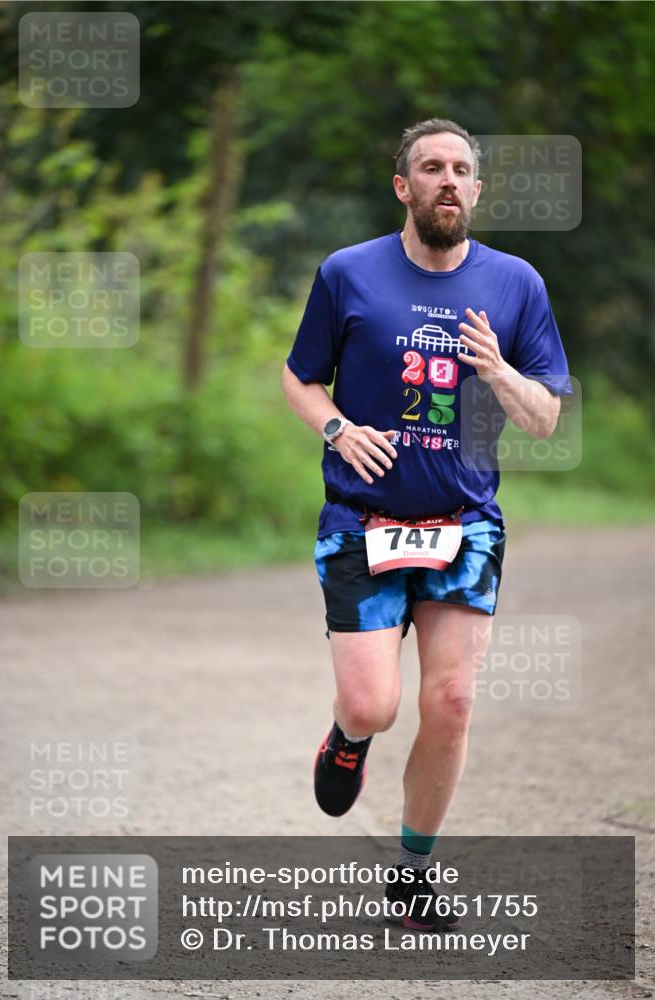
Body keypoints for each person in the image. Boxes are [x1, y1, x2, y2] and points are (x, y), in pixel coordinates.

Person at [282, 118, 572, 931]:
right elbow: (300, 378)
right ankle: (348, 739)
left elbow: (544, 419)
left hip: (465, 523)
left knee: (449, 704)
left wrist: (500, 370)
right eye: (430, 168)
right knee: (375, 705)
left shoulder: (516, 284)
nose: (447, 180)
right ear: (403, 187)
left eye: (461, 169)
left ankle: (412, 874)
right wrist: (338, 428)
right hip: (359, 519)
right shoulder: (347, 273)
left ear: (475, 189)